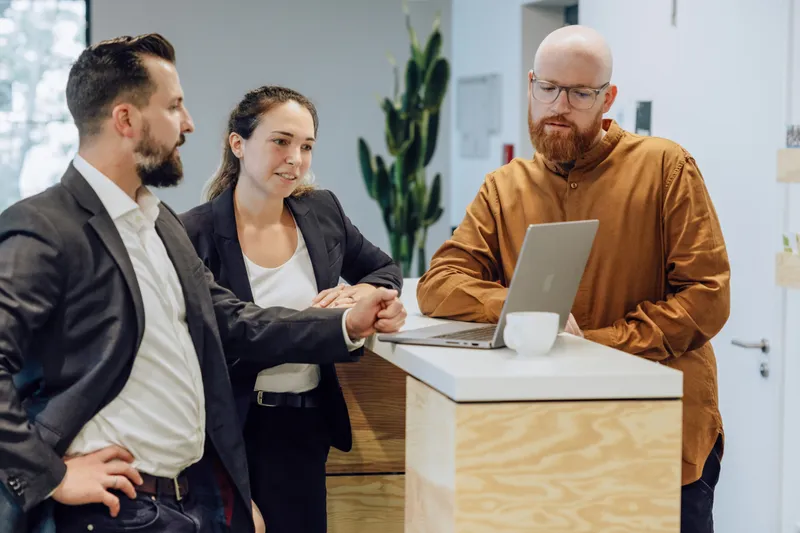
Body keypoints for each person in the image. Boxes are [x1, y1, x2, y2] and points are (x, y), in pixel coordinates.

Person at [0, 34, 406, 533]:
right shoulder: (44, 226)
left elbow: (234, 323)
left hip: (190, 503)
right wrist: (50, 474)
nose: (189, 123)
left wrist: (346, 322)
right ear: (126, 119)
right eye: (174, 107)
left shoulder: (160, 224)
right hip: (112, 511)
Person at [416, 25, 729, 533]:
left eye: (580, 93)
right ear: (531, 85)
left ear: (608, 98)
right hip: (547, 440)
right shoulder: (504, 186)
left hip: (661, 436)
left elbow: (707, 296)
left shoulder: (665, 167)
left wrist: (600, 344)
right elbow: (441, 282)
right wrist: (532, 314)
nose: (559, 105)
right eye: (548, 88)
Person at [180, 84, 404, 533]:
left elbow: (384, 269)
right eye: (281, 141)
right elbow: (228, 337)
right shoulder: (194, 233)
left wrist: (365, 295)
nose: (296, 159)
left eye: (306, 146)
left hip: (306, 425)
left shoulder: (321, 211)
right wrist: (338, 323)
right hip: (231, 432)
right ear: (238, 144)